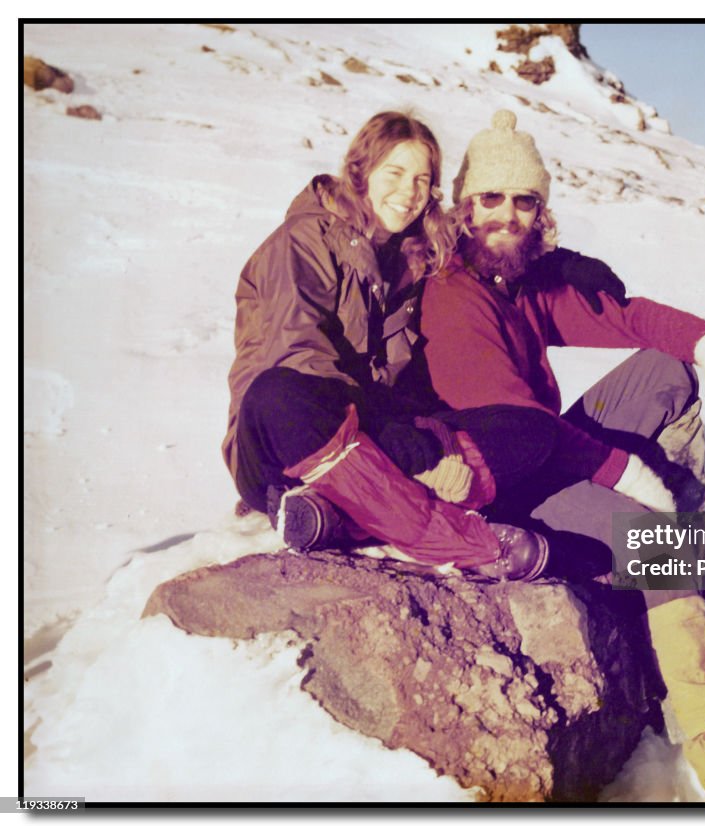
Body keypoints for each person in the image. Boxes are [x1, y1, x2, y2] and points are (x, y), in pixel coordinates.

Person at [418, 110, 705, 802]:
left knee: (664, 372)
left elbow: (624, 316)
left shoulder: (520, 279)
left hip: (542, 449)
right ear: (464, 206)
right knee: (649, 540)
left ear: (540, 210)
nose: (507, 215)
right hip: (502, 485)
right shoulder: (453, 296)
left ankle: (689, 552)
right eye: (491, 198)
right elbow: (515, 424)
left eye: (524, 201)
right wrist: (621, 471)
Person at [222, 111, 556, 581]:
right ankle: (464, 541)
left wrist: (556, 266)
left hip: (373, 441)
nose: (409, 192)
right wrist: (384, 428)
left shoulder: (412, 255)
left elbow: (497, 246)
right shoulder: (302, 242)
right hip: (289, 440)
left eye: (422, 180)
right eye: (394, 173)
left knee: (531, 430)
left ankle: (339, 516)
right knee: (279, 393)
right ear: (360, 172)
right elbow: (298, 355)